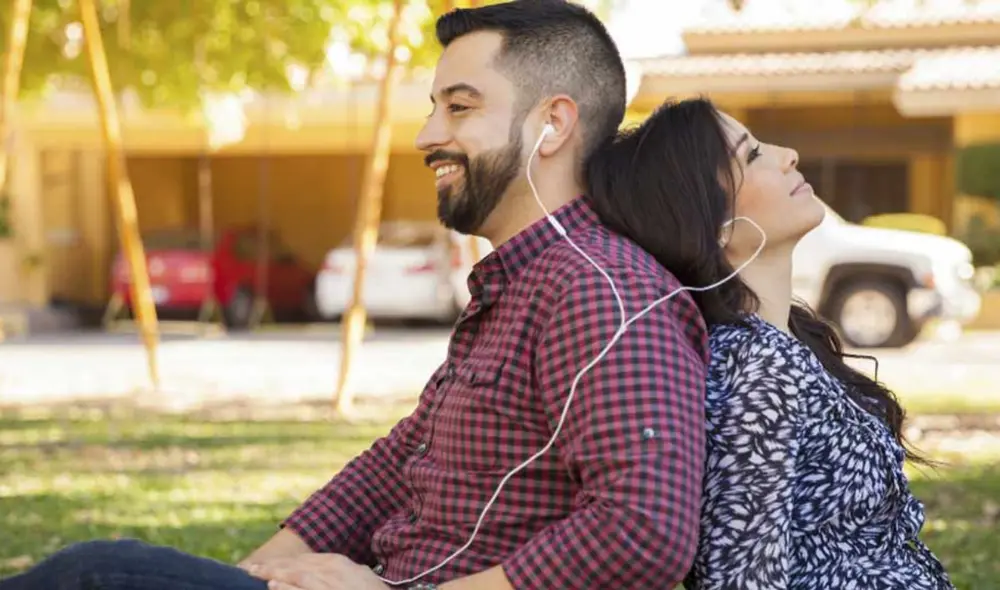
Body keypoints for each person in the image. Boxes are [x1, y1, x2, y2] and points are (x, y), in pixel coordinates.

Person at [0, 2, 711, 590]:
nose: (428, 135)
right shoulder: (521, 282)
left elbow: (643, 528)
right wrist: (250, 577)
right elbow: (396, 465)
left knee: (95, 576)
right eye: (435, 108)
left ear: (551, 124)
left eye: (459, 108)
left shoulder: (601, 289)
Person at [584, 96, 956, 590]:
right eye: (753, 154)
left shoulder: (787, 340)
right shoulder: (757, 363)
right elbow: (742, 577)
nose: (788, 154)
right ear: (710, 222)